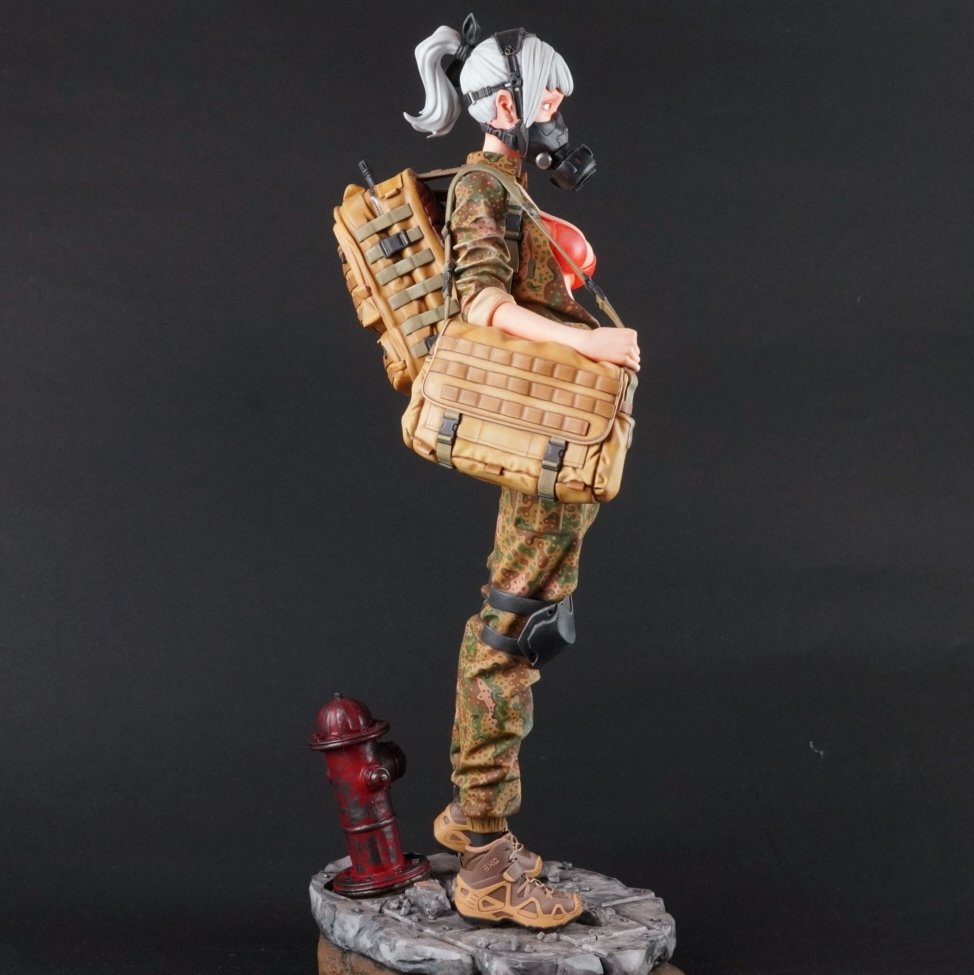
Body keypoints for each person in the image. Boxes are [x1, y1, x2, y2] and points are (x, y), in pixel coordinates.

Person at [404, 17, 640, 929]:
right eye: (550, 95)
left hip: (558, 438)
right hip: (540, 437)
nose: (559, 111)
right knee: (514, 627)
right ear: (508, 104)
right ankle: (485, 854)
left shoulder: (507, 188)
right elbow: (482, 302)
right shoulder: (481, 187)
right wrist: (592, 344)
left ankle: (471, 816)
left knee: (526, 619)